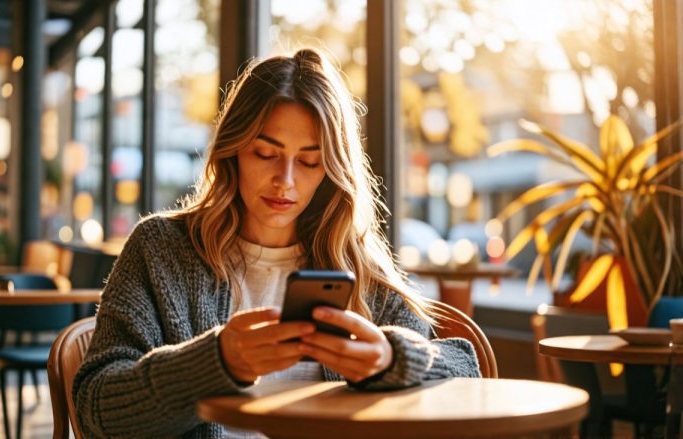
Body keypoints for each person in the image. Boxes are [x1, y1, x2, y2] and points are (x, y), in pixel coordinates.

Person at [73, 48, 480, 438]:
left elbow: (465, 371)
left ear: (332, 169)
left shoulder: (353, 262)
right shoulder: (161, 249)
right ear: (233, 151)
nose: (285, 181)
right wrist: (217, 362)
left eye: (308, 162)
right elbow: (97, 410)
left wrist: (393, 360)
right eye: (266, 153)